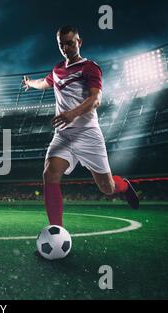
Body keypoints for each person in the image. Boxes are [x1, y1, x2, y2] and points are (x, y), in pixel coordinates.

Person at [22, 25, 139, 227]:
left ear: (79, 42)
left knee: (107, 188)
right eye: (61, 44)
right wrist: (30, 83)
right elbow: (45, 83)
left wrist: (72, 114)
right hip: (63, 135)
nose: (66, 48)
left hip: (88, 134)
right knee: (50, 173)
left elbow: (95, 100)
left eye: (70, 42)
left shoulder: (90, 67)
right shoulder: (57, 69)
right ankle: (56, 231)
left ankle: (123, 185)